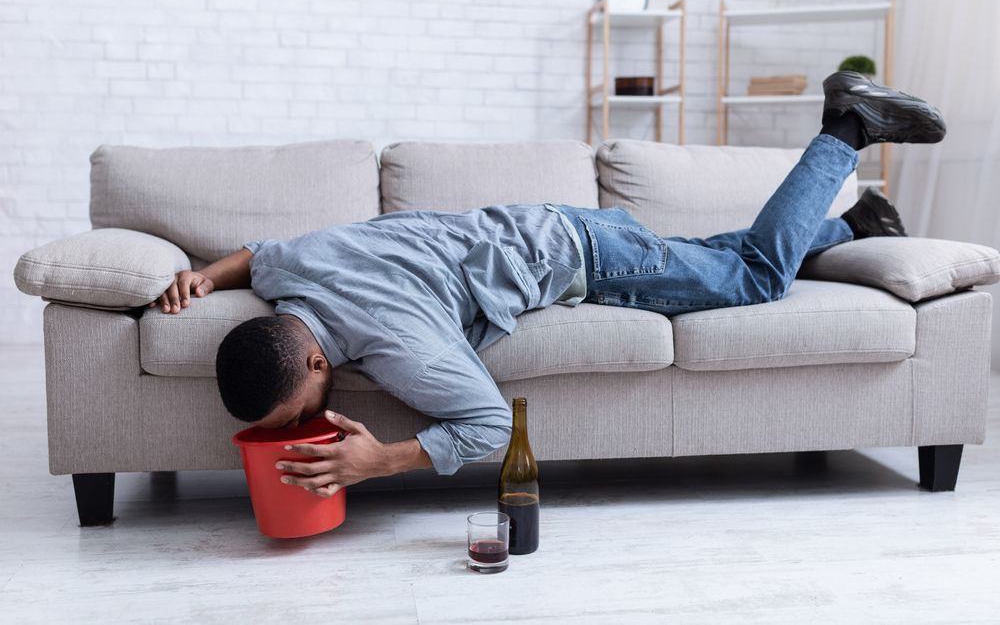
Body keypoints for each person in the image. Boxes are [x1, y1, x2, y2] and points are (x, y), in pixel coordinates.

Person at [149, 71, 946, 499]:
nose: (304, 424)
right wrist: (201, 274)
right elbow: (254, 254)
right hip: (556, 225)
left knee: (753, 276)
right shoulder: (295, 267)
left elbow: (490, 423)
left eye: (296, 412)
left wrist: (378, 461)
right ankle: (858, 224)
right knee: (716, 259)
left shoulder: (397, 344)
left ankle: (848, 126)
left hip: (590, 260)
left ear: (315, 361)